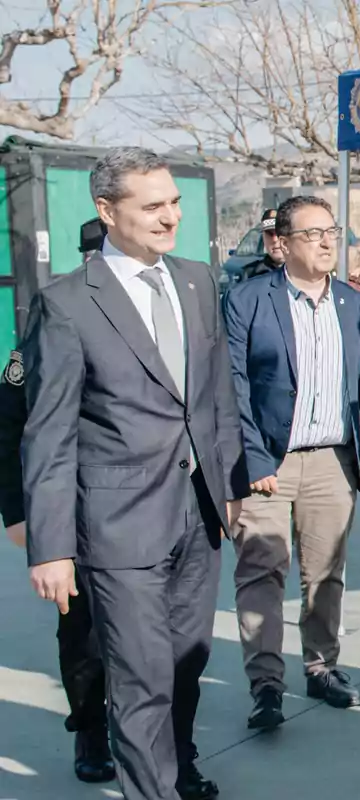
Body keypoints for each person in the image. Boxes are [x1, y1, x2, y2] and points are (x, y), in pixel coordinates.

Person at [21, 146, 244, 800]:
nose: (169, 216)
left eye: (174, 202)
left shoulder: (200, 281)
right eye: (152, 206)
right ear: (106, 210)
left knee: (186, 664)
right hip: (118, 527)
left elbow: (217, 396)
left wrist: (227, 485)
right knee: (140, 677)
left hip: (197, 517)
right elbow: (48, 431)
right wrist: (53, 545)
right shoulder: (67, 303)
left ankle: (177, 763)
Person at [222, 195, 360, 730]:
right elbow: (231, 387)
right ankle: (265, 684)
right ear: (282, 244)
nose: (327, 243)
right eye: (312, 234)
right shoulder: (249, 300)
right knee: (261, 573)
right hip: (268, 464)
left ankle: (322, 667)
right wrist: (252, 458)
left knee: (325, 574)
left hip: (331, 461)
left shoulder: (352, 302)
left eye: (332, 231)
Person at [0, 218, 115, 786]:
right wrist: (15, 512)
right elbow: (10, 426)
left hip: (140, 508)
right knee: (84, 633)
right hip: (70, 510)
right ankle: (91, 730)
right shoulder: (53, 318)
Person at [241, 208, 284, 281]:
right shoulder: (251, 275)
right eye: (269, 234)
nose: (274, 239)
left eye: (279, 233)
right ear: (263, 238)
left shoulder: (304, 270)